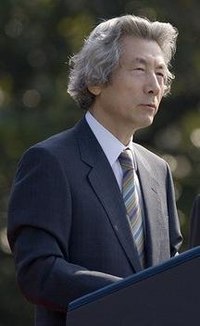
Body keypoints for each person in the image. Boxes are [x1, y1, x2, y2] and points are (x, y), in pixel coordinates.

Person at [7, 14, 182, 325]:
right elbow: (38, 271)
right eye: (140, 70)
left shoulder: (159, 170)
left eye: (161, 73)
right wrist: (133, 294)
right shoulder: (49, 162)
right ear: (96, 81)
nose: (154, 86)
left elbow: (171, 270)